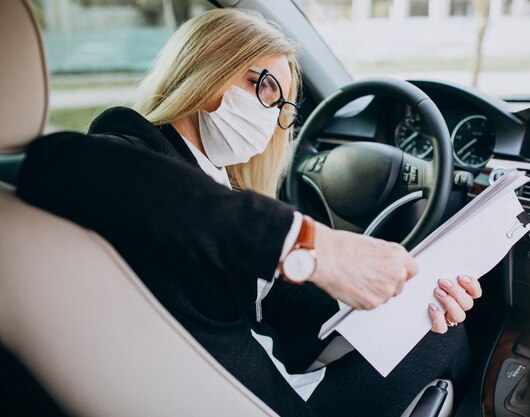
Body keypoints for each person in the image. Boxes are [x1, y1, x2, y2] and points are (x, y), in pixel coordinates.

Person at [17, 8, 481, 417]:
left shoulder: (218, 181)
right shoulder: (128, 152)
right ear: (205, 66)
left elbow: (269, 298)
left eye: (283, 105)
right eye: (263, 86)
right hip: (250, 396)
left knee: (431, 320)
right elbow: (64, 161)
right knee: (446, 342)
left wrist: (385, 296)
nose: (272, 114)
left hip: (262, 372)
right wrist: (315, 247)